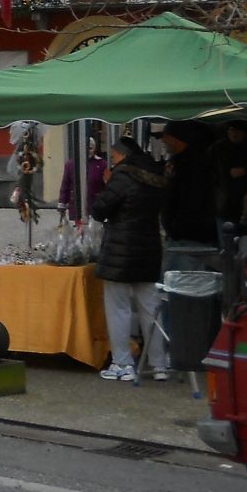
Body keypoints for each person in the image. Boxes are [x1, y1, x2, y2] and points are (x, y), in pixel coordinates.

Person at [91, 136, 168, 382]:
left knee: (119, 309)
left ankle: (122, 363)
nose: (111, 162)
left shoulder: (122, 178)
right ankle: (158, 364)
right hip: (149, 249)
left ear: (122, 155)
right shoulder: (155, 177)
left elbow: (99, 208)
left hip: (120, 252)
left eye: (113, 157)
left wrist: (106, 184)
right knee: (151, 309)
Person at [159, 120, 218, 246]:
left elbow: (193, 197)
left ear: (176, 138)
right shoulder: (178, 161)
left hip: (190, 235)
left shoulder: (193, 164)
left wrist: (177, 226)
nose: (163, 140)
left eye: (166, 136)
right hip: (181, 233)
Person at [209, 120, 247, 228]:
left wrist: (246, 171)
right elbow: (210, 169)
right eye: (231, 130)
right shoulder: (217, 149)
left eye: (237, 130)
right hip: (224, 202)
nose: (234, 133)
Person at [57, 137, 107, 222]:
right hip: (76, 207)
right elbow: (65, 185)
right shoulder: (70, 164)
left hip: (96, 206)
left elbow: (109, 185)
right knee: (78, 232)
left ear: (94, 149)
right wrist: (62, 203)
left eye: (90, 148)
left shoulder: (103, 164)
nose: (87, 151)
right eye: (85, 148)